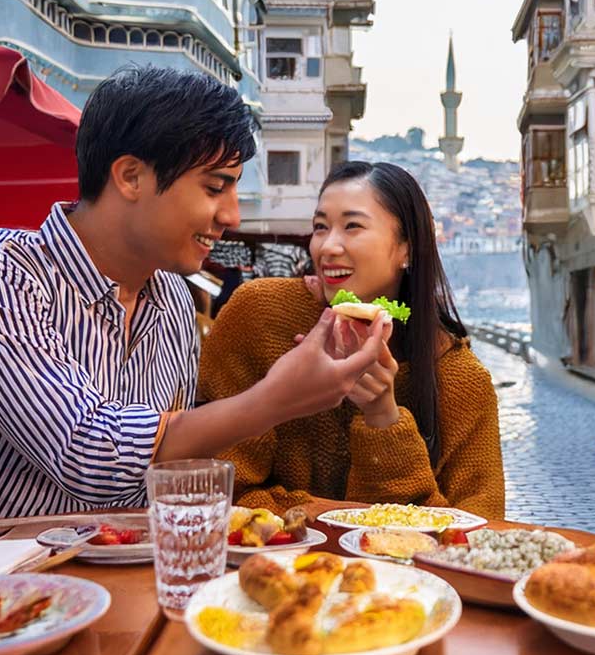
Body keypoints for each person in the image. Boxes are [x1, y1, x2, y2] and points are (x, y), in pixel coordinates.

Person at [0, 66, 384, 542]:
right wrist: (275, 399)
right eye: (216, 186)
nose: (231, 216)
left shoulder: (172, 297)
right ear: (130, 176)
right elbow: (88, 454)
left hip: (91, 576)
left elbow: (169, 464)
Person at [198, 161, 505, 518]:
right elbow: (216, 487)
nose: (327, 247)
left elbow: (471, 534)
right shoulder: (260, 315)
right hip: (266, 567)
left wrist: (383, 418)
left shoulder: (462, 382)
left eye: (352, 226)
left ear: (407, 247)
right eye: (320, 227)